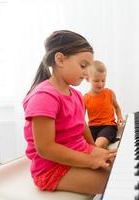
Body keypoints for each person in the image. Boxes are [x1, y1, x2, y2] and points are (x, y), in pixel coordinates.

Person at [23, 30, 116, 195]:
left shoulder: (76, 95)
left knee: (123, 166)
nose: (87, 72)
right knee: (118, 182)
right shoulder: (44, 96)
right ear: (60, 59)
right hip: (51, 168)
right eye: (83, 65)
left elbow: (82, 126)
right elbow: (45, 148)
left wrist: (94, 150)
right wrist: (89, 160)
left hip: (78, 153)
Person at [84, 60, 124, 149]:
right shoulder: (85, 98)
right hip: (92, 128)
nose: (100, 84)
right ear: (87, 79)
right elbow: (80, 119)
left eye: (103, 80)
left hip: (108, 126)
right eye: (96, 81)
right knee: (81, 145)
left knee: (99, 144)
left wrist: (120, 117)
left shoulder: (110, 93)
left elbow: (117, 107)